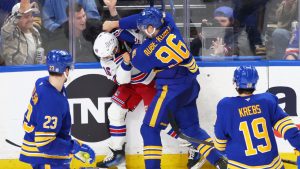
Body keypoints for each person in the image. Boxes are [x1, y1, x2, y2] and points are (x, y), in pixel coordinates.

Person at [103, 7, 227, 169]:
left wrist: (116, 26)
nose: (140, 30)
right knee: (191, 128)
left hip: (171, 89)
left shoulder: (142, 55)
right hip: (189, 83)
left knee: (148, 129)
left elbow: (136, 52)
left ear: (151, 28)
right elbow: (142, 20)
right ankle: (220, 161)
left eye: (143, 28)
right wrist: (116, 22)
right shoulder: (168, 21)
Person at [19, 49, 95, 168]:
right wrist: (74, 147)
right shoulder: (52, 100)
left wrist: (70, 148)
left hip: (40, 147)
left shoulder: (43, 82)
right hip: (44, 156)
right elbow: (45, 144)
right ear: (66, 70)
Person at [214, 65, 300, 168]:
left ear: (235, 82)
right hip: (272, 166)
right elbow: (290, 131)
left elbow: (220, 145)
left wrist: (221, 147)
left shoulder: (226, 106)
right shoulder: (267, 100)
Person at [1, 0, 44, 65]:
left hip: (34, 72)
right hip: (14, 73)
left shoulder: (35, 32)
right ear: (17, 19)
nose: (30, 19)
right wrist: (20, 12)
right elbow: (4, 31)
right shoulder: (11, 34)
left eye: (31, 16)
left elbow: (37, 58)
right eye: (26, 17)